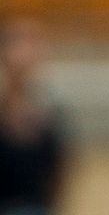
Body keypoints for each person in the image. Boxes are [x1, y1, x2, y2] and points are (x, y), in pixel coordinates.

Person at [0, 15, 67, 215]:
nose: (26, 52)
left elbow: (58, 173)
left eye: (33, 43)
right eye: (19, 42)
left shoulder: (50, 113)